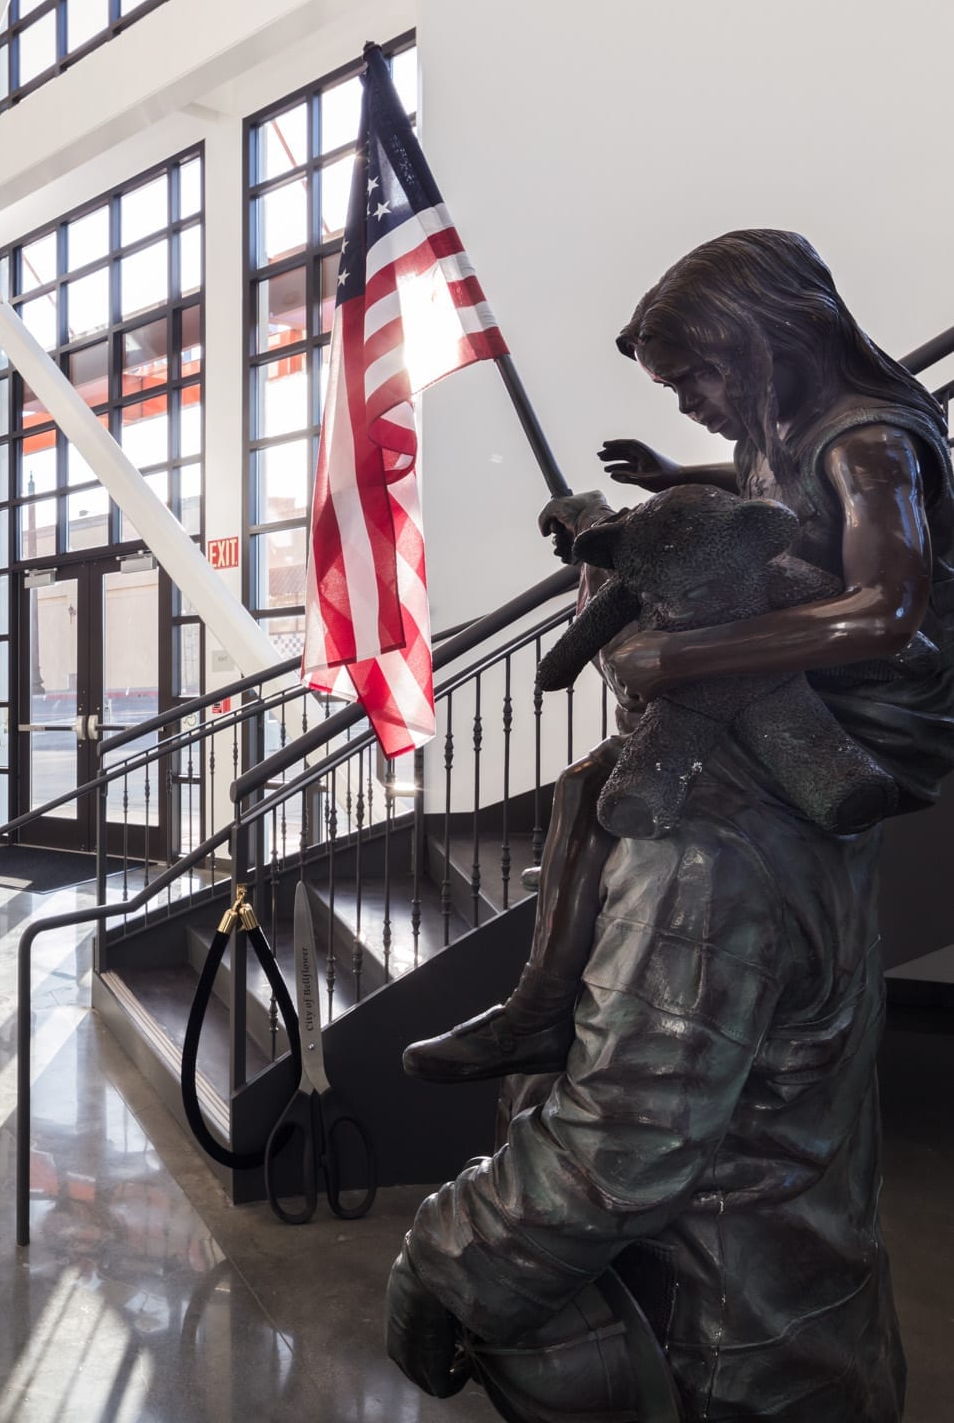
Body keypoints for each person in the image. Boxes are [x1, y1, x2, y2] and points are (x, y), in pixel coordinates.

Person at [386, 228, 952, 1419]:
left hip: (731, 1365)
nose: (695, 399)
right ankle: (535, 995)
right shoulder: (776, 441)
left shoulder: (868, 443)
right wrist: (666, 487)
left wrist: (683, 651)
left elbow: (888, 606)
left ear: (761, 334)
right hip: (786, 1337)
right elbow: (749, 507)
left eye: (696, 374)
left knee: (612, 782)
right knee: (590, 785)